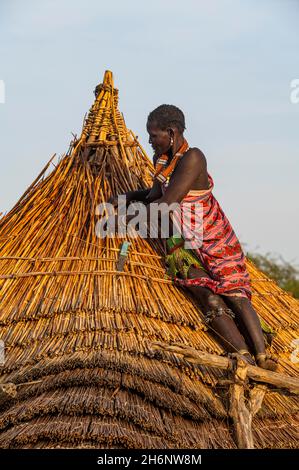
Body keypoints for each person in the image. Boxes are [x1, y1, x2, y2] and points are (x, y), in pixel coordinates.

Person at [109, 104, 277, 371]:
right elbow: (154, 195)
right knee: (208, 296)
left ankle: (263, 356)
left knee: (234, 293)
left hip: (212, 236)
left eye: (154, 136)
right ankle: (242, 354)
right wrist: (126, 197)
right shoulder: (163, 161)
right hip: (187, 239)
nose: (150, 141)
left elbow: (169, 202)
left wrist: (128, 218)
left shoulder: (193, 158)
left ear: (172, 133)